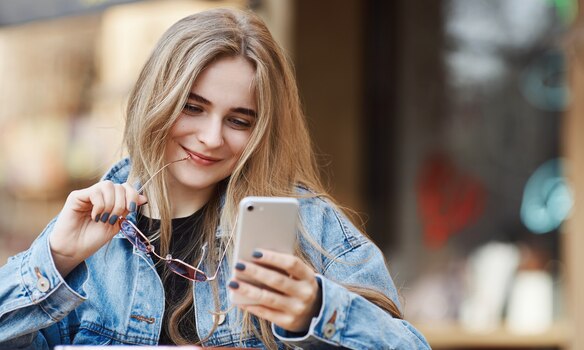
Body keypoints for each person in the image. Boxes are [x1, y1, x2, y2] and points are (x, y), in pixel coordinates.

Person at [0, 8, 430, 349]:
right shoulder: (87, 234)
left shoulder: (311, 226)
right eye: (192, 107)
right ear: (156, 100)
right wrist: (54, 259)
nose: (210, 139)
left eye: (240, 120)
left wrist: (317, 311)